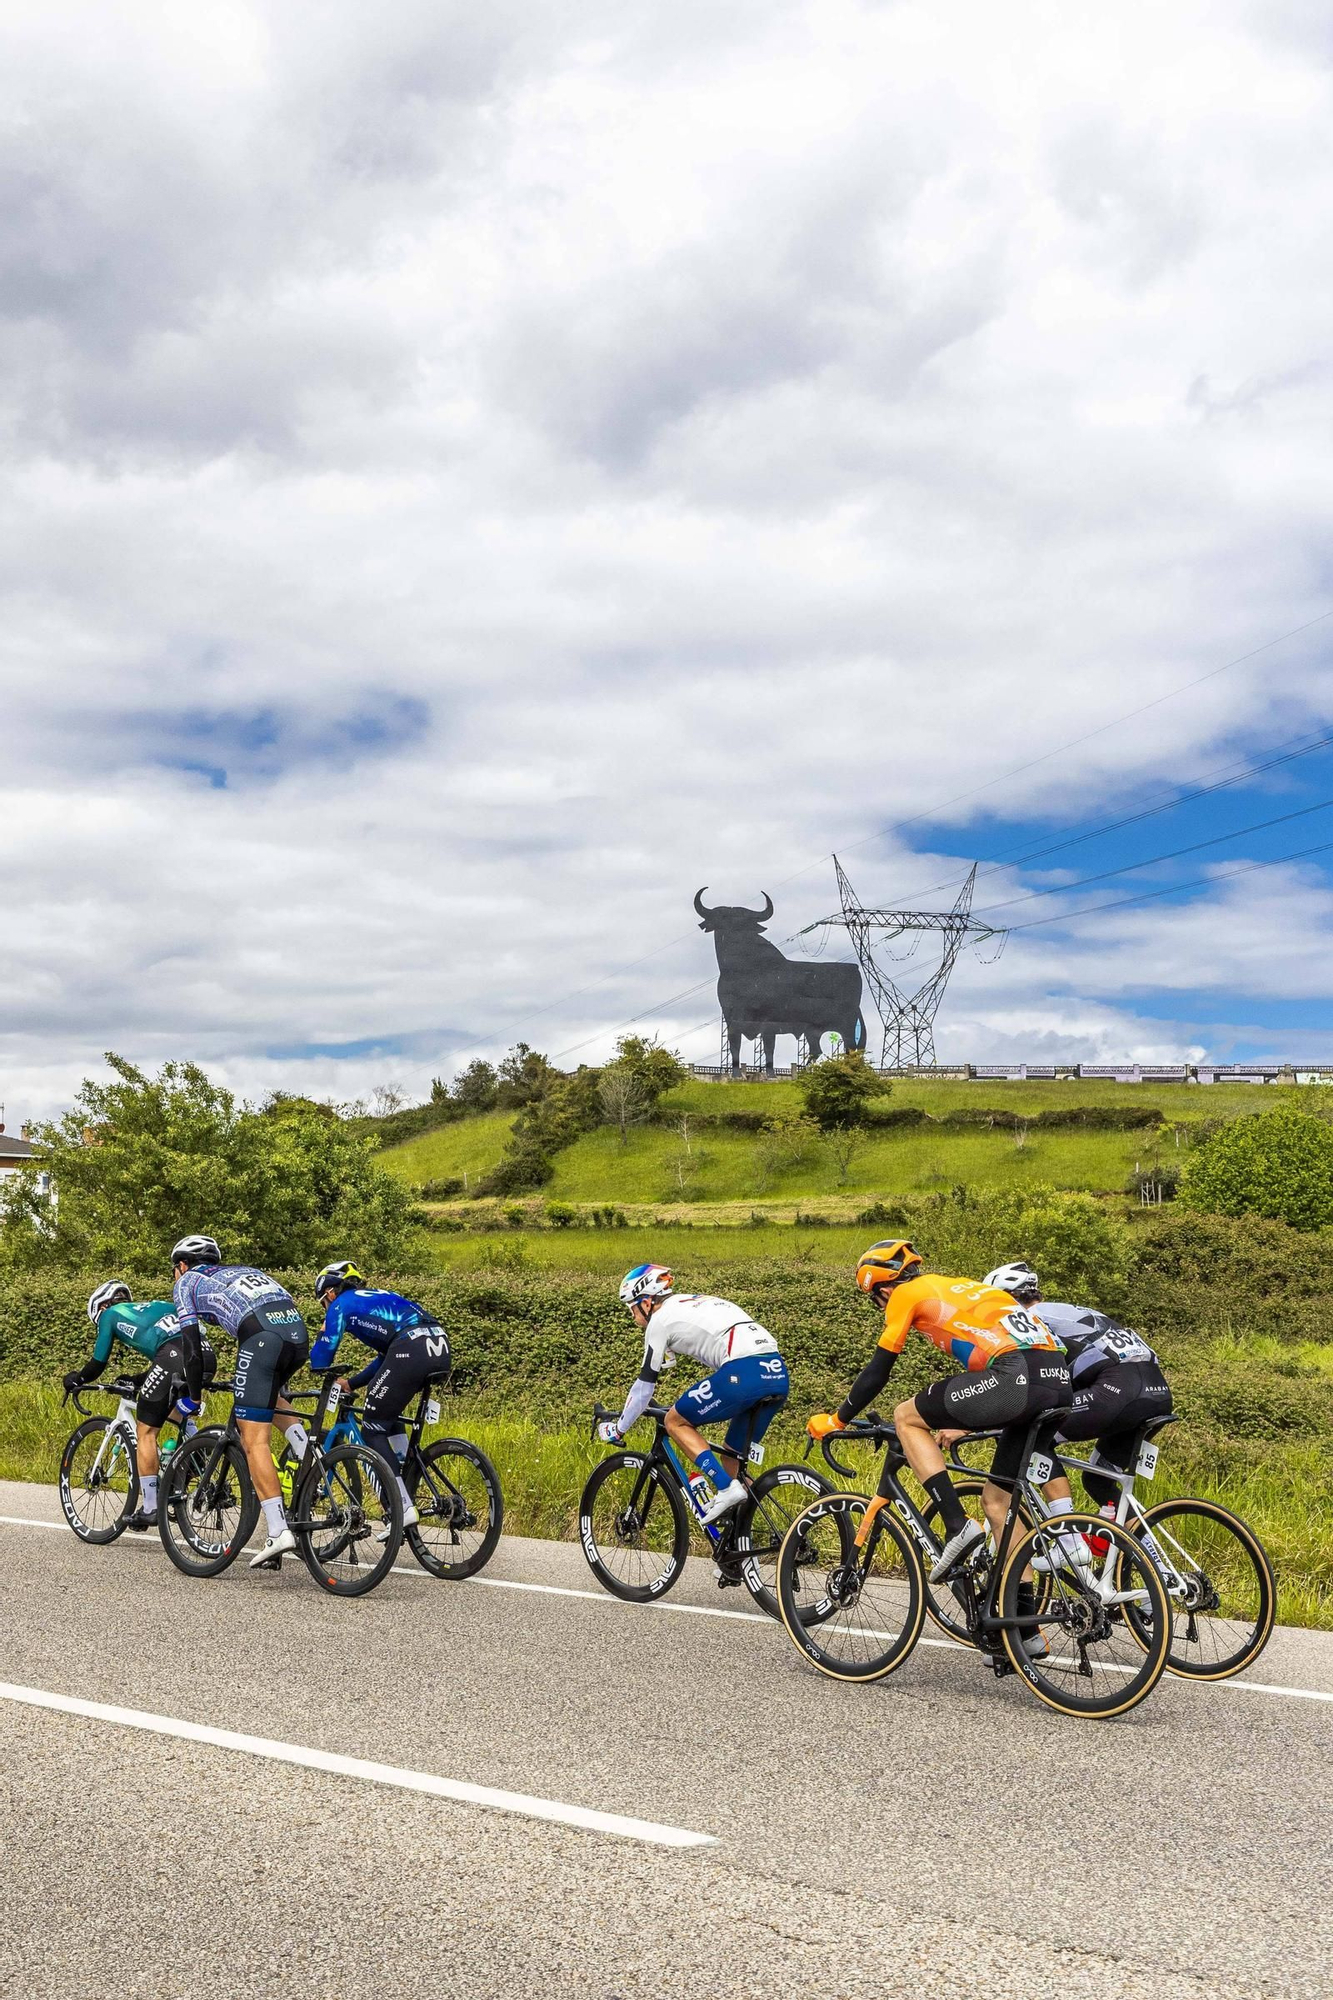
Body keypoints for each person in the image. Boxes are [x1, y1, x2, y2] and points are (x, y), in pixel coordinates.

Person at [807, 1241, 1071, 1604]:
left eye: (875, 1299)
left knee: (907, 1417)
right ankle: (1024, 1632)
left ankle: (956, 1525)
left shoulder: (906, 1293)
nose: (880, 1307)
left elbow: (878, 1371)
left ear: (883, 1288)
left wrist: (837, 1418)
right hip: (1058, 1380)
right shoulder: (961, 1286)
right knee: (997, 1504)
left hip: (1016, 1377)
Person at [983, 1261, 1173, 1551]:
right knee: (1098, 1481)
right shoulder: (1070, 1310)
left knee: (1033, 1436)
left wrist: (979, 1419)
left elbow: (1031, 1384)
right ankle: (1159, 1575)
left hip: (1119, 1389)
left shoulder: (1028, 1320)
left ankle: (1070, 1543)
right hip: (1156, 1392)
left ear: (1005, 1299)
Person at [598, 1263, 790, 1525]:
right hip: (777, 1375)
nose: (632, 1316)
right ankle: (741, 1553)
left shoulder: (660, 1321)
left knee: (675, 1421)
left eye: (631, 1307)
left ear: (646, 1301)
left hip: (744, 1371)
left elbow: (644, 1387)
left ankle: (724, 1487)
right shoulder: (696, 1302)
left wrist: (618, 1429)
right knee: (732, 1458)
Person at [170, 1235, 311, 1567]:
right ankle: (312, 1459)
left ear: (181, 1265)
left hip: (263, 1339)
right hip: (297, 1334)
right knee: (270, 1399)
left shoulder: (187, 1283)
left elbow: (191, 1348)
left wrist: (193, 1396)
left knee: (254, 1442)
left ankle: (278, 1532)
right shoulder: (241, 1271)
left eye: (173, 1270)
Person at [308, 1260, 455, 1529]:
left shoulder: (340, 1304)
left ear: (329, 1293)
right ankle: (404, 1479)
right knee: (388, 1415)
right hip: (438, 1344)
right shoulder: (380, 1296)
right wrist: (352, 1383)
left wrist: (318, 1346)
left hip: (411, 1348)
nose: (326, 1308)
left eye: (323, 1303)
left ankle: (402, 1506)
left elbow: (321, 1359)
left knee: (373, 1427)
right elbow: (385, 1358)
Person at [63, 1280, 217, 1532]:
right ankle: (186, 1468)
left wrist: (77, 1379)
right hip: (206, 1357)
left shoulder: (110, 1314)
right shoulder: (154, 1308)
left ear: (101, 1306)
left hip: (174, 1356)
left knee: (146, 1431)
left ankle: (150, 1507)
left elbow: (98, 1362)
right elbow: (166, 1354)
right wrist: (137, 1379)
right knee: (177, 1414)